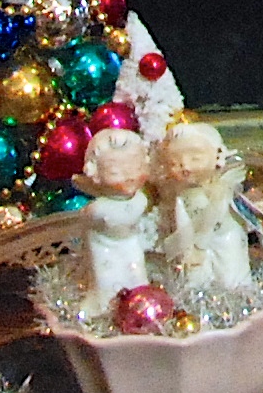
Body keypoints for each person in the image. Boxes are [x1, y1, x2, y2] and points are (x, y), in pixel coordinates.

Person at [154, 117, 250, 296]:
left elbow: (211, 221)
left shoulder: (219, 191)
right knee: (196, 278)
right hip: (194, 245)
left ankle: (237, 297)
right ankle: (199, 298)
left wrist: (199, 247)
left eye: (195, 159)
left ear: (217, 156)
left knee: (229, 276)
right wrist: (187, 249)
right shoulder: (180, 196)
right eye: (175, 163)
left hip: (224, 239)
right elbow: (181, 224)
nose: (185, 167)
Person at [72, 127, 154, 320]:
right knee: (107, 279)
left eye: (136, 168)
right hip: (104, 250)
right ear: (96, 174)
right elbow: (86, 225)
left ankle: (137, 308)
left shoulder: (141, 200)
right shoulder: (98, 209)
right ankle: (104, 308)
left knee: (136, 274)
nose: (129, 177)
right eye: (116, 172)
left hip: (131, 246)